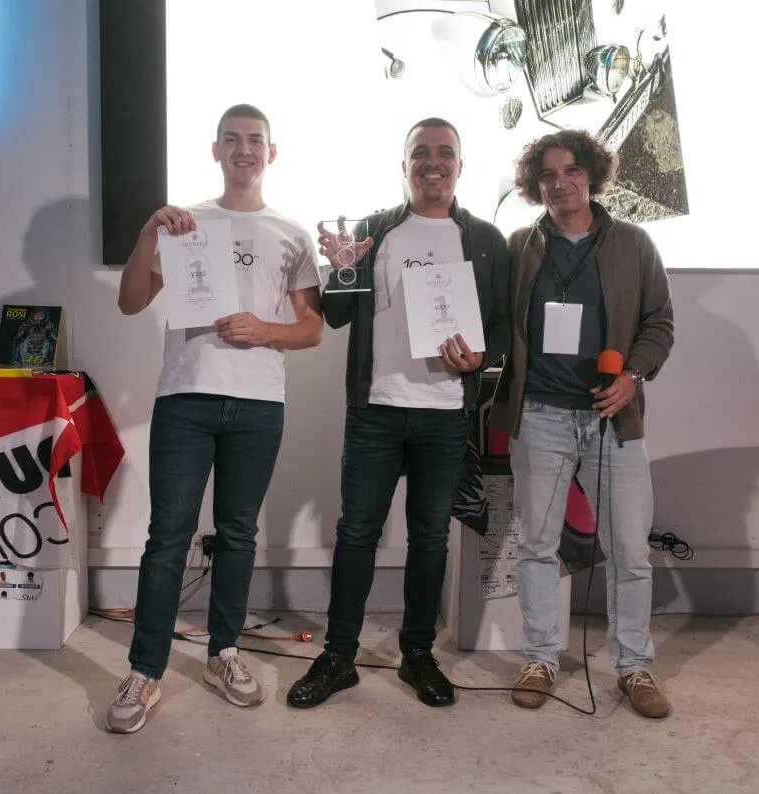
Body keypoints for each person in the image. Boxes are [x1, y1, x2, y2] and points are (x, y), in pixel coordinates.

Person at [108, 104, 323, 732]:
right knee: (167, 537)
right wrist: (146, 237)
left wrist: (265, 330)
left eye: (255, 140)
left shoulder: (292, 233)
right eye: (232, 139)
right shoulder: (184, 224)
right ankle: (145, 670)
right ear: (215, 150)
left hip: (258, 403)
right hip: (185, 397)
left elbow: (311, 329)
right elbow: (130, 302)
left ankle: (223, 652)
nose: (244, 149)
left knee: (238, 534)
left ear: (271, 152)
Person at [286, 118, 511, 709]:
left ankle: (417, 655)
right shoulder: (374, 230)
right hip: (376, 411)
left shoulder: (486, 240)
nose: (432, 162)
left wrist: (483, 357)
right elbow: (337, 315)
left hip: (445, 413)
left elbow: (503, 325)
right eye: (420, 153)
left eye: (445, 152)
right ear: (404, 164)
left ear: (460, 164)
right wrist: (343, 266)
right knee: (356, 533)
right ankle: (339, 657)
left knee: (430, 538)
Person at [488, 129, 675, 718]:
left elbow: (659, 324)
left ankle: (634, 666)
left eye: (571, 170)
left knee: (630, 552)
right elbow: (498, 322)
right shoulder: (520, 245)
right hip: (539, 414)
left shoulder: (634, 244)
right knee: (538, 547)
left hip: (610, 418)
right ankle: (540, 658)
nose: (560, 183)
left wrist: (633, 376)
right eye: (547, 175)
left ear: (591, 174)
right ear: (534, 184)